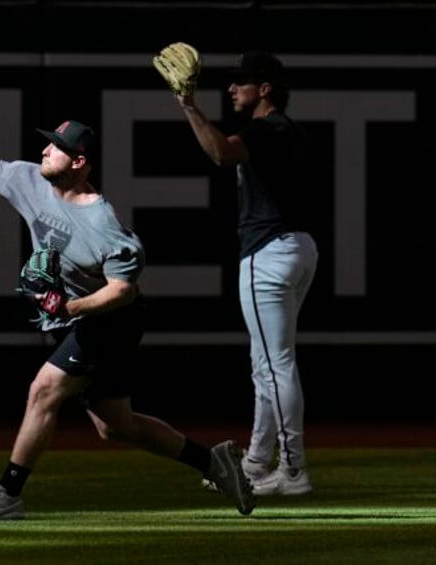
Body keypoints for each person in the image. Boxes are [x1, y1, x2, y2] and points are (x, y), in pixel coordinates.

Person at [0, 117, 256, 518]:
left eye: (55, 146)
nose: (44, 150)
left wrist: (70, 308)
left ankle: (6, 494)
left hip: (112, 320)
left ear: (78, 162)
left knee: (44, 390)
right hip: (87, 320)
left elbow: (121, 289)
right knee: (116, 426)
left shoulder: (104, 226)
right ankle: (214, 464)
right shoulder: (32, 182)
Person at [172, 51, 319, 496]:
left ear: (265, 89)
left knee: (275, 366)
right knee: (266, 365)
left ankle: (293, 470)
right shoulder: (285, 129)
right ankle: (256, 462)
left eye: (242, 82)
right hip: (296, 247)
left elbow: (220, 153)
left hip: (268, 253)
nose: (232, 89)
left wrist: (189, 107)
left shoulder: (265, 127)